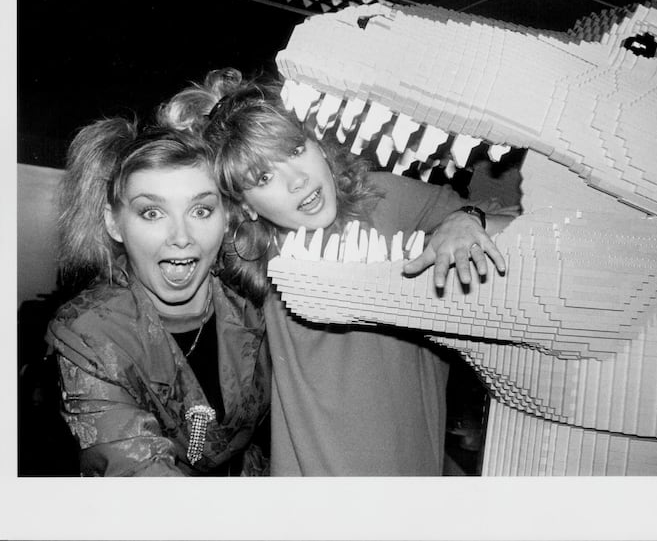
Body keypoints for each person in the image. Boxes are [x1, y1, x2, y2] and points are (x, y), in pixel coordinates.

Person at [159, 68, 514, 476]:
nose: (297, 181)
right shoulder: (251, 260)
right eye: (263, 177)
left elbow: (508, 224)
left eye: (294, 150)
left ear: (319, 145)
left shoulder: (386, 198)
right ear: (247, 205)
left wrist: (466, 219)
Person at [46, 118, 271, 476]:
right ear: (114, 223)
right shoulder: (87, 336)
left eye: (201, 210)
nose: (181, 236)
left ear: (226, 218)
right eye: (152, 212)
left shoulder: (256, 304)